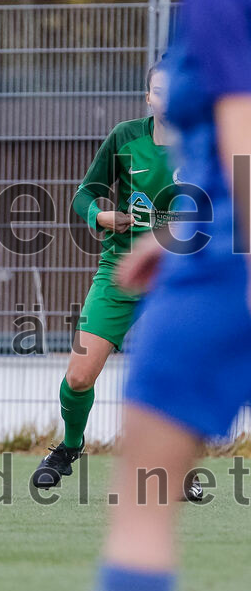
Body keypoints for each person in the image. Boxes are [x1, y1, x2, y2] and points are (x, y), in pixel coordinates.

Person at [94, 0, 251, 591]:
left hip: (228, 267)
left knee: (145, 508)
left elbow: (242, 137)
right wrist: (169, 234)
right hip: (209, 242)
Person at [32, 61, 200, 501]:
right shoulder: (126, 137)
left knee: (173, 376)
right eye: (159, 90)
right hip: (121, 272)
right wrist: (101, 215)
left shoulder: (204, 141)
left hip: (177, 278)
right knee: (80, 376)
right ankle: (68, 449)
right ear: (148, 97)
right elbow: (83, 195)